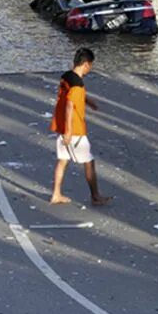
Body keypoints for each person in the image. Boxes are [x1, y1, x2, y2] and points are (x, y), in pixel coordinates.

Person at [49, 48, 112, 206]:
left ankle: (56, 194)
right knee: (89, 162)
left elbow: (69, 97)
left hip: (61, 125)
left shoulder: (67, 77)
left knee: (62, 160)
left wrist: (88, 101)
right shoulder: (77, 84)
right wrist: (70, 131)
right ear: (85, 64)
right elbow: (70, 105)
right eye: (90, 65)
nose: (90, 68)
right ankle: (95, 196)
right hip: (74, 129)